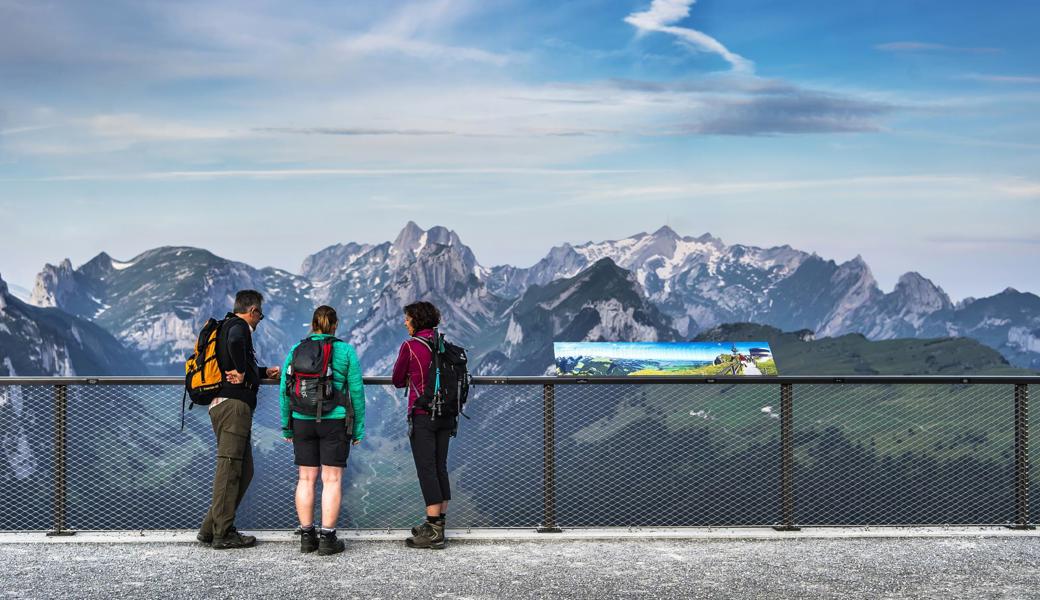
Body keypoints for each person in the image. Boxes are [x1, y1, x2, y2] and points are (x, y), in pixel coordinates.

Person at [280, 305, 366, 556]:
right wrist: (358, 428)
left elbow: (285, 390)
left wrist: (287, 424)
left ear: (312, 324)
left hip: (301, 420)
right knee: (332, 480)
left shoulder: (296, 349)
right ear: (335, 325)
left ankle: (307, 537)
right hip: (334, 422)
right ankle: (328, 539)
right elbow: (357, 392)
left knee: (305, 479)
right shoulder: (345, 350)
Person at [197, 290, 280, 550]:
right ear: (253, 310)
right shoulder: (239, 327)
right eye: (261, 315)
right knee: (230, 468)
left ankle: (210, 528)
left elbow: (234, 357)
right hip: (233, 406)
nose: (260, 320)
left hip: (225, 405)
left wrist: (262, 372)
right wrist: (244, 373)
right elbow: (235, 344)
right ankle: (223, 533)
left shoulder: (225, 325)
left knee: (244, 470)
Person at [392, 300, 451, 550]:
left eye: (407, 319)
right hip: (447, 413)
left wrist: (411, 376)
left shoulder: (411, 346)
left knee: (426, 468)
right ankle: (439, 524)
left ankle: (433, 529)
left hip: (423, 413)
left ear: (416, 320)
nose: (405, 323)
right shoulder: (443, 345)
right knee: (439, 466)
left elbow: (396, 379)